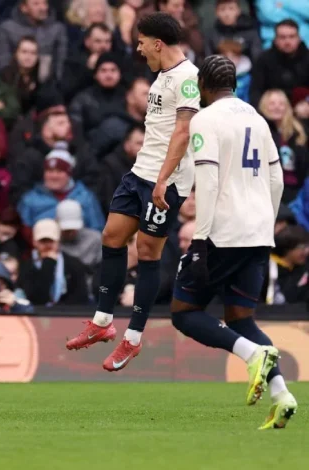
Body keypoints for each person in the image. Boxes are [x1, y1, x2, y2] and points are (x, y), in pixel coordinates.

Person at [65, 13, 199, 371]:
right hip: (140, 172)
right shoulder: (161, 75)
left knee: (148, 252)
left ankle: (134, 338)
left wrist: (163, 179)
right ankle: (102, 321)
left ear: (158, 43)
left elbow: (183, 132)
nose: (138, 49)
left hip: (165, 180)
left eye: (141, 43)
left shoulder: (188, 78)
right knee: (111, 237)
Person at [170, 55, 297, 429]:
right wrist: (265, 223)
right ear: (234, 85)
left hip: (223, 232)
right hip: (258, 232)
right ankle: (282, 394)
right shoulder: (257, 119)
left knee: (184, 312)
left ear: (204, 86)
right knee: (241, 317)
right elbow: (276, 180)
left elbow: (208, 181)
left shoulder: (205, 119)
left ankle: (252, 355)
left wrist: (200, 239)